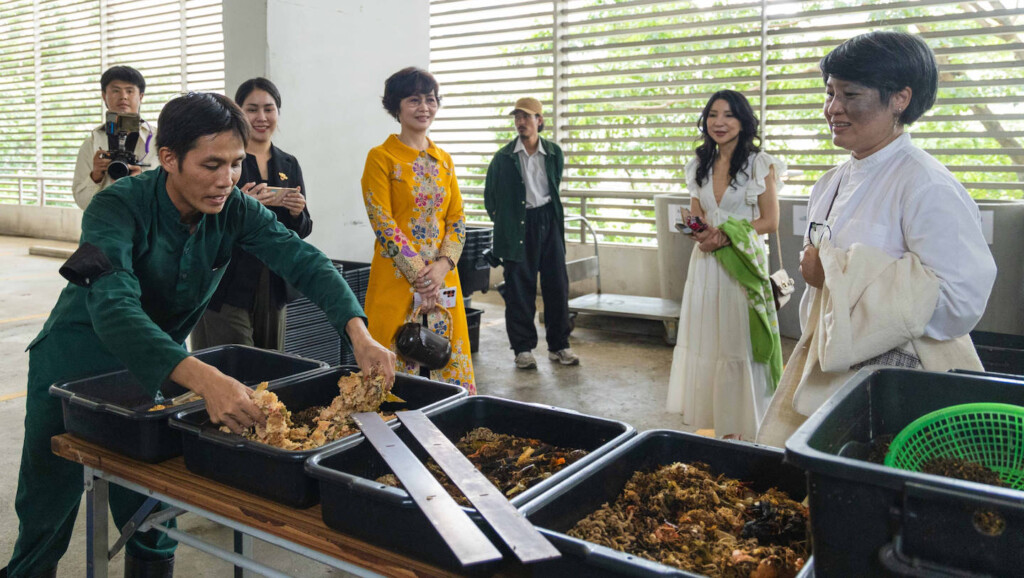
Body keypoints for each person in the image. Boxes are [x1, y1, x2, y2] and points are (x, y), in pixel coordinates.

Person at [4, 92, 394, 578]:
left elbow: (304, 261)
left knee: (150, 515)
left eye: (234, 164)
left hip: (157, 373)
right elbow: (115, 308)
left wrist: (359, 333)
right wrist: (205, 380)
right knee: (47, 510)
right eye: (211, 164)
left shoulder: (234, 208)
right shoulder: (115, 208)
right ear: (168, 158)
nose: (226, 179)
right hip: (74, 366)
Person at [756, 31, 997, 447]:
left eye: (851, 94)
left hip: (899, 381)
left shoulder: (925, 184)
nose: (833, 108)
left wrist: (835, 276)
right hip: (829, 362)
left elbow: (960, 301)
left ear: (900, 98)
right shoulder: (829, 183)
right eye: (830, 93)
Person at [666, 89, 784, 441]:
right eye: (713, 114)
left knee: (739, 343)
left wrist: (728, 235)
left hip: (742, 264)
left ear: (743, 121)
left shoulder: (759, 163)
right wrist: (696, 230)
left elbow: (771, 220)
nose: (719, 122)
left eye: (729, 115)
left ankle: (747, 427)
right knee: (710, 343)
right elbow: (698, 216)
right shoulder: (698, 164)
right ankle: (718, 422)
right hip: (705, 265)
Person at [361, 67, 476, 394]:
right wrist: (420, 276)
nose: (424, 107)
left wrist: (441, 267)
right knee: (392, 376)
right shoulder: (380, 158)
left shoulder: (445, 161)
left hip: (444, 280)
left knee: (446, 367)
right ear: (395, 107)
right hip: (395, 282)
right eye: (414, 100)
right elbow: (383, 223)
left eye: (430, 99)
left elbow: (456, 219)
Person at [191, 78, 310, 351]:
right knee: (232, 367)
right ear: (238, 113)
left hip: (273, 282)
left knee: (272, 367)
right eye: (252, 109)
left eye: (269, 109)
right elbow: (200, 222)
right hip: (227, 282)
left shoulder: (288, 163)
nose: (261, 117)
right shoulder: (223, 160)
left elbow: (302, 230)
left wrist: (297, 212)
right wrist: (239, 206)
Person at [484, 97, 578, 370]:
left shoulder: (553, 152)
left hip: (548, 221)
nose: (520, 122)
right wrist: (508, 223)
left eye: (526, 117)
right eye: (517, 117)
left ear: (539, 120)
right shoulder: (503, 158)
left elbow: (554, 183)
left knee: (557, 286)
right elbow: (490, 198)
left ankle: (559, 346)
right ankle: (523, 349)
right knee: (519, 288)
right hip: (518, 225)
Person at [72, 65, 156, 210]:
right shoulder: (91, 144)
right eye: (115, 90)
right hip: (104, 222)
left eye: (130, 91)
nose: (123, 96)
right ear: (104, 96)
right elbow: (82, 202)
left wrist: (142, 182)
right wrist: (96, 176)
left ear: (141, 96)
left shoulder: (158, 141)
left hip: (147, 224)